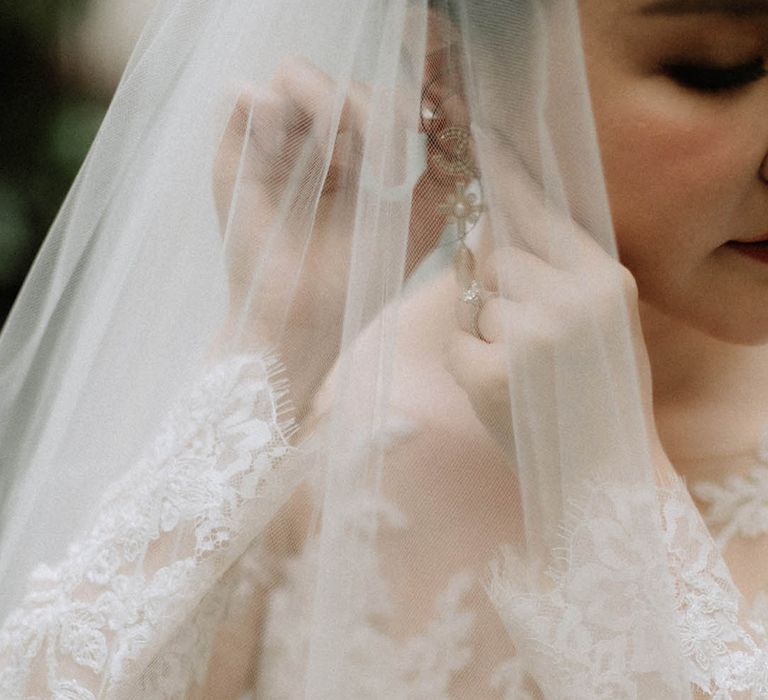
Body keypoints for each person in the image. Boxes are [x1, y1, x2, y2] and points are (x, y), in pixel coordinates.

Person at [1, 0, 767, 697]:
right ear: (456, 64)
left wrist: (609, 497)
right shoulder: (327, 422)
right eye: (716, 68)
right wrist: (275, 350)